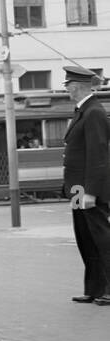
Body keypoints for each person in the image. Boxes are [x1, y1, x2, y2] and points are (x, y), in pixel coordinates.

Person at [62, 67, 110, 305]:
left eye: (68, 85)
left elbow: (98, 156)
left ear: (78, 86)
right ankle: (94, 289)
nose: (66, 89)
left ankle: (108, 290)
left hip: (87, 189)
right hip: (77, 189)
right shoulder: (83, 111)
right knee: (86, 239)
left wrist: (91, 191)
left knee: (102, 239)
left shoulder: (94, 113)